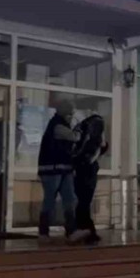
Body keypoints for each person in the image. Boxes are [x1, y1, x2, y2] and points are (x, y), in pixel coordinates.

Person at [37, 100, 88, 244]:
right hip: (52, 170)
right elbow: (74, 137)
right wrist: (80, 128)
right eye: (70, 114)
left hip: (64, 168)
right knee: (49, 200)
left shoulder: (60, 124)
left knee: (70, 199)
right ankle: (43, 232)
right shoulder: (57, 125)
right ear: (64, 113)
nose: (71, 117)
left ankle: (71, 231)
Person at [73, 114, 108, 244]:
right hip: (87, 173)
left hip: (83, 173)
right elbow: (92, 156)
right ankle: (86, 230)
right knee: (84, 202)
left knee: (82, 202)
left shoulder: (85, 138)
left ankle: (85, 230)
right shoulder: (92, 143)